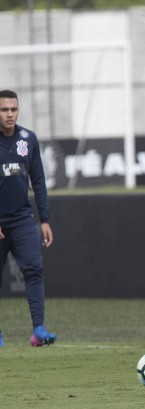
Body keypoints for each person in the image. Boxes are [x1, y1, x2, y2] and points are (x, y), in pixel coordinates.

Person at [0, 89, 56, 347]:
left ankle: (38, 330)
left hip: (22, 219)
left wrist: (44, 219)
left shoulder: (28, 138)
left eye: (13, 109)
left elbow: (39, 180)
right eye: (4, 110)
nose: (9, 114)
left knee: (34, 270)